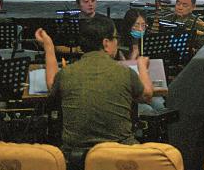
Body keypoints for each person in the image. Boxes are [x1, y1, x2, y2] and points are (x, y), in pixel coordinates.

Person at [35, 17, 153, 155]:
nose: (117, 43)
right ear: (106, 43)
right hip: (120, 154)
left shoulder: (66, 74)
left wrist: (49, 47)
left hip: (76, 157)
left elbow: (51, 83)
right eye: (116, 38)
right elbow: (147, 95)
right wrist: (142, 67)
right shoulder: (125, 72)